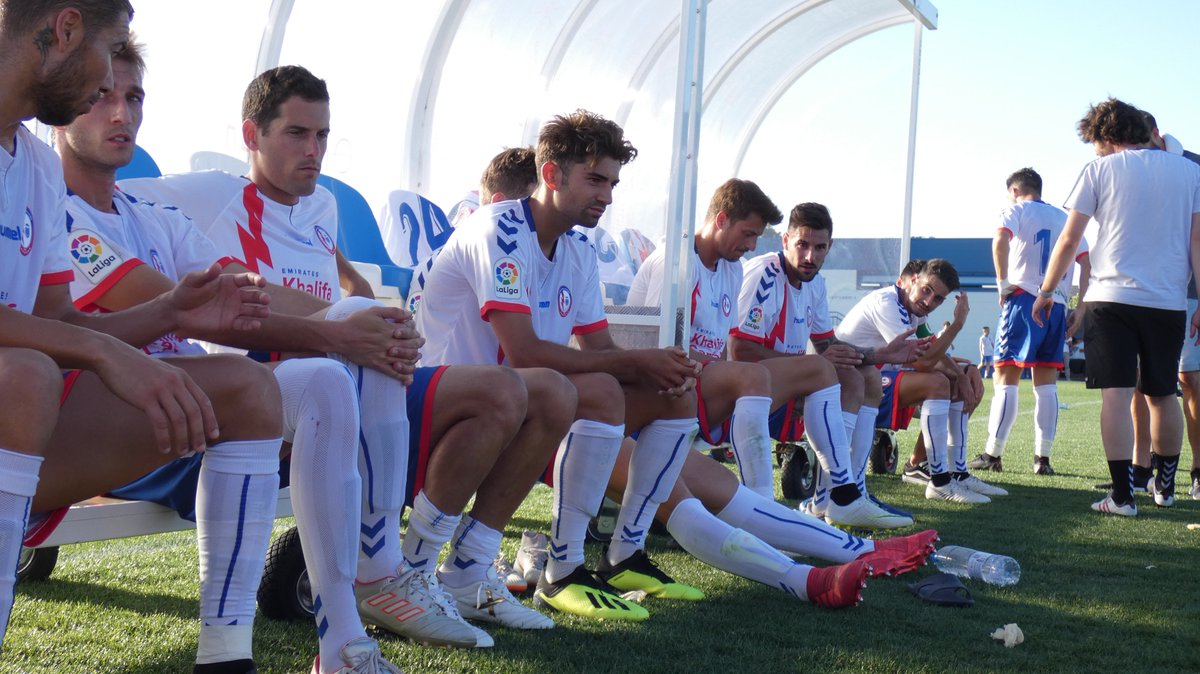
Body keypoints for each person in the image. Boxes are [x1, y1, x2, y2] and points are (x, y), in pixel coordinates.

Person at [119, 66, 573, 651]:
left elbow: (342, 284)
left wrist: (372, 311)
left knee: (523, 392)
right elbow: (102, 191)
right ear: (250, 136)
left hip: (346, 374)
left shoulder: (321, 204)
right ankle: (382, 573)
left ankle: (426, 568)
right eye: (297, 134)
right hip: (265, 387)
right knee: (456, 380)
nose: (314, 151)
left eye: (323, 136)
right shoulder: (211, 195)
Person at [0, 5, 293, 672]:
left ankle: (225, 656)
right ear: (67, 31)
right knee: (25, 377)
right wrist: (111, 353)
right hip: (18, 397)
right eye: (108, 56)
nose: (114, 95)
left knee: (247, 387)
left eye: (131, 93)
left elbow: (58, 321)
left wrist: (165, 318)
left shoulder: (37, 170)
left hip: (28, 411)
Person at [419, 109, 722, 621]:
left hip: (517, 399)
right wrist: (634, 360)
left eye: (613, 183)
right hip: (439, 402)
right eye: (595, 180)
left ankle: (620, 554)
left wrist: (660, 369)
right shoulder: (498, 228)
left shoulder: (578, 250)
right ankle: (488, 566)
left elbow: (598, 348)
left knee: (674, 393)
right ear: (552, 174)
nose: (606, 195)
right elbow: (525, 353)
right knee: (592, 390)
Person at [629, 186, 912, 529]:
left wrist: (878, 355)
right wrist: (799, 374)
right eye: (748, 234)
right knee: (775, 374)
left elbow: (825, 346)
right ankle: (775, 507)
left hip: (713, 381)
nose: (751, 245)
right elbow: (722, 351)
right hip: (669, 390)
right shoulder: (691, 265)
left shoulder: (732, 268)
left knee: (858, 377)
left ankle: (838, 497)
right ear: (721, 220)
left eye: (819, 247)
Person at [1033, 98, 1200, 515]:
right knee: (1164, 393)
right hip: (1168, 300)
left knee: (1117, 396)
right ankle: (1165, 488)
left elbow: (1070, 241)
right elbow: (1198, 242)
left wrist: (1048, 291)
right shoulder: (1190, 172)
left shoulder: (1098, 170)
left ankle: (1123, 497)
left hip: (1110, 299)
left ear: (1106, 137)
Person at [837, 259, 1004, 503]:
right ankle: (940, 482)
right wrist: (956, 325)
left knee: (959, 378)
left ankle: (952, 472)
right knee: (937, 382)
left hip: (878, 376)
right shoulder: (887, 304)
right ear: (914, 280)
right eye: (927, 290)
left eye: (938, 298)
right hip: (854, 382)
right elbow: (923, 363)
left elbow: (935, 352)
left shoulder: (915, 311)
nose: (929, 301)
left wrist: (965, 372)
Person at [969, 168, 1090, 477]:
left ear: (1014, 191)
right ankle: (1042, 459)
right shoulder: (1064, 217)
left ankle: (993, 453)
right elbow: (1086, 261)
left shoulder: (1016, 209)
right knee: (1046, 386)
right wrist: (1082, 305)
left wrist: (1002, 283)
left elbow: (1000, 240)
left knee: (1005, 380)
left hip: (1024, 299)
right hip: (1058, 303)